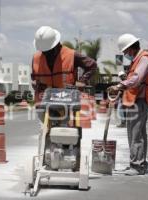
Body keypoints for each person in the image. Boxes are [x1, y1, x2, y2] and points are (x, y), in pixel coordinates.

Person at [31, 26, 98, 155]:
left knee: (64, 129)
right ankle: (46, 156)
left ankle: (65, 154)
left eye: (48, 50)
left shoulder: (71, 55)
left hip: (64, 100)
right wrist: (35, 83)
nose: (45, 53)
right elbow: (33, 77)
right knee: (45, 130)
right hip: (43, 101)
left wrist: (83, 81)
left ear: (56, 45)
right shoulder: (36, 58)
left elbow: (92, 66)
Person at [108, 33, 148, 175]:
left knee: (135, 134)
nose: (125, 54)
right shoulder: (137, 59)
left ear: (131, 48)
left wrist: (119, 86)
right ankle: (140, 163)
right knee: (138, 134)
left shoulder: (144, 58)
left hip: (139, 101)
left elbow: (136, 79)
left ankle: (137, 165)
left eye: (125, 51)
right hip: (135, 100)